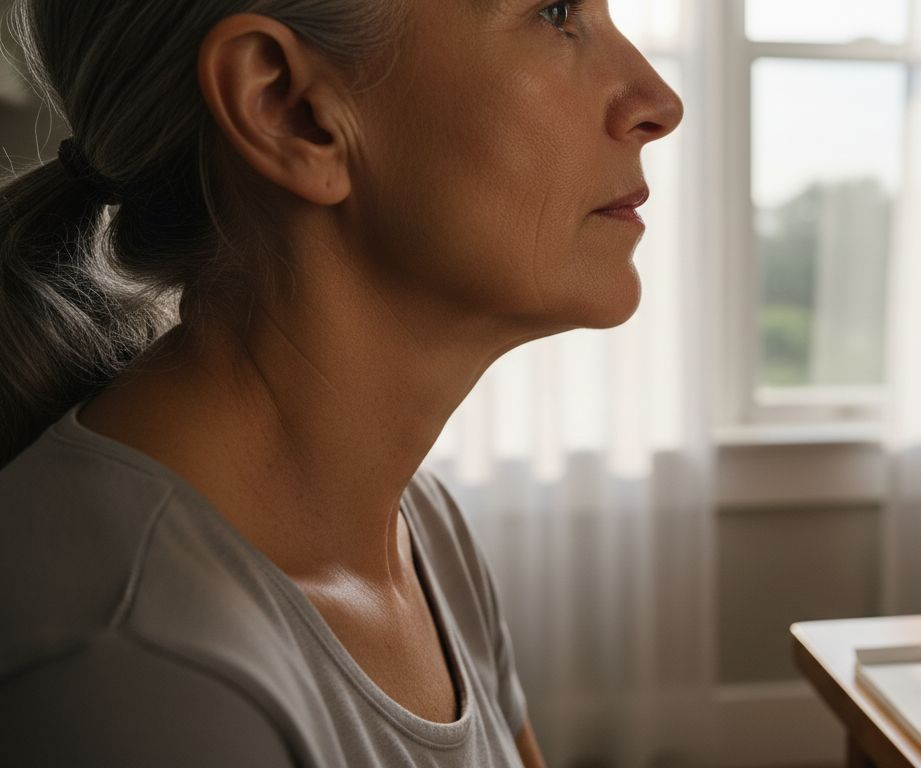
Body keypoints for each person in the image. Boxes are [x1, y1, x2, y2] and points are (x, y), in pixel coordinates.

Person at [0, 0, 682, 764]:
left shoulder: (415, 526)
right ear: (288, 110)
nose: (659, 102)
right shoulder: (139, 672)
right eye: (556, 12)